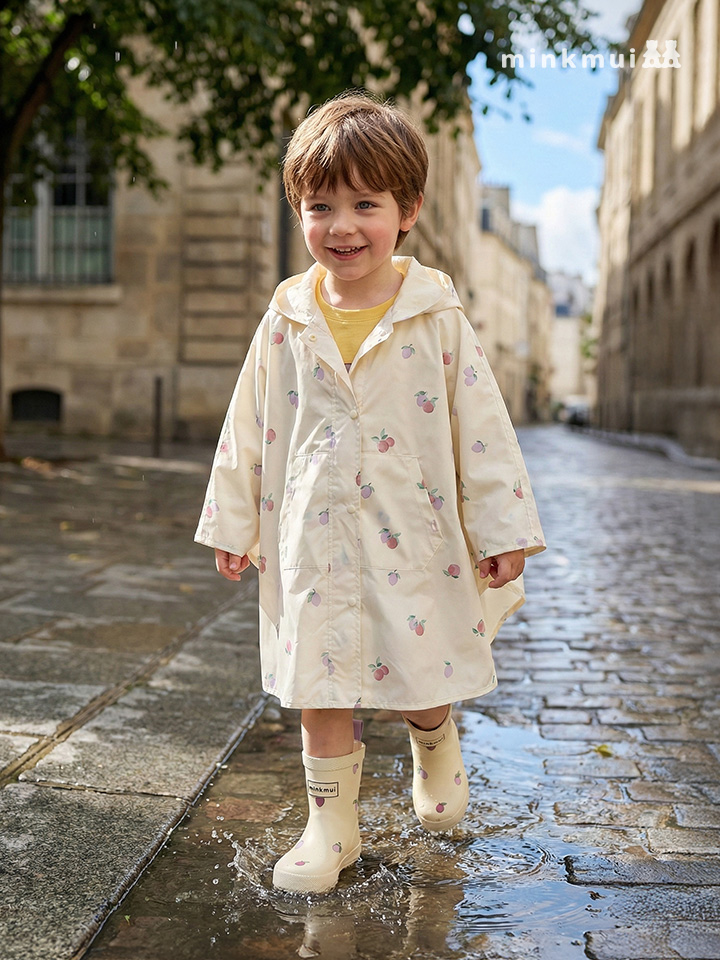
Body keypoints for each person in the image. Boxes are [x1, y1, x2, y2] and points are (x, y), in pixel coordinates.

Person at [195, 91, 545, 895]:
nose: (342, 226)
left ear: (406, 210)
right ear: (299, 211)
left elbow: (482, 430)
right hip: (311, 532)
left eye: (365, 205)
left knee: (420, 666)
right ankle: (329, 826)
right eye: (321, 206)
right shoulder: (286, 318)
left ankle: (435, 740)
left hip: (411, 530)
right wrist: (233, 520)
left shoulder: (436, 316)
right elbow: (249, 421)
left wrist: (502, 530)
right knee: (319, 678)